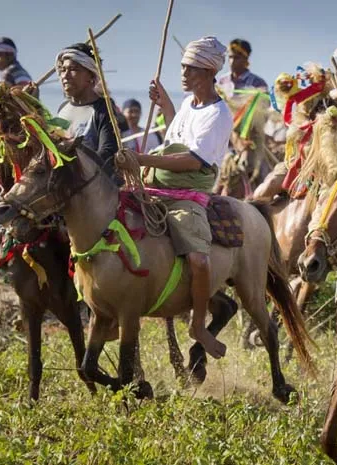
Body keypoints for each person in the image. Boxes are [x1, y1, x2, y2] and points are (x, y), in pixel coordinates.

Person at [126, 36, 234, 358]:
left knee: (199, 261)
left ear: (208, 72)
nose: (183, 74)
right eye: (183, 67)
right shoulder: (189, 104)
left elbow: (192, 160)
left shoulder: (219, 114)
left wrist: (143, 160)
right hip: (154, 185)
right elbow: (177, 135)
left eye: (190, 69)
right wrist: (166, 106)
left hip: (185, 195)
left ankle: (198, 325)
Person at [55, 43, 120, 182]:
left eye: (73, 69)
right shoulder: (62, 109)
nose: (65, 75)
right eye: (62, 69)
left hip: (94, 190)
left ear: (90, 75)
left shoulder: (104, 109)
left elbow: (107, 154)